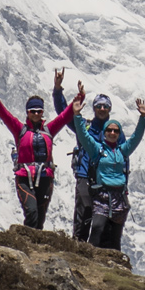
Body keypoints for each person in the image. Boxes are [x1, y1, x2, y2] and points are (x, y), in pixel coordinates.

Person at [0, 77, 80, 230]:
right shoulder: (19, 129)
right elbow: (2, 113)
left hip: (45, 177)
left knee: (40, 218)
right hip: (24, 177)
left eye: (39, 111)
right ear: (27, 113)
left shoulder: (48, 130)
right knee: (32, 212)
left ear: (42, 112)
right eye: (32, 111)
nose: (36, 114)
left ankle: (34, 249)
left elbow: (64, 117)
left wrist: (78, 99)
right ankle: (25, 243)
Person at [74, 98, 145, 252]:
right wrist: (76, 115)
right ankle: (90, 260)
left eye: (116, 131)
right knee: (97, 227)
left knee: (114, 236)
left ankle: (114, 266)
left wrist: (143, 118)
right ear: (104, 133)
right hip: (101, 195)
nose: (113, 133)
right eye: (109, 130)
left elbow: (136, 137)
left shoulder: (123, 150)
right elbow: (83, 136)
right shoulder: (96, 150)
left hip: (119, 197)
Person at [53, 69, 112, 242]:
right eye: (99, 106)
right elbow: (63, 112)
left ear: (109, 109)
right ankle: (78, 245)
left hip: (106, 179)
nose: (102, 109)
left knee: (103, 219)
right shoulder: (83, 127)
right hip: (84, 175)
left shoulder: (113, 131)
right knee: (84, 210)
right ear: (94, 108)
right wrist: (58, 89)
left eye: (105, 106)